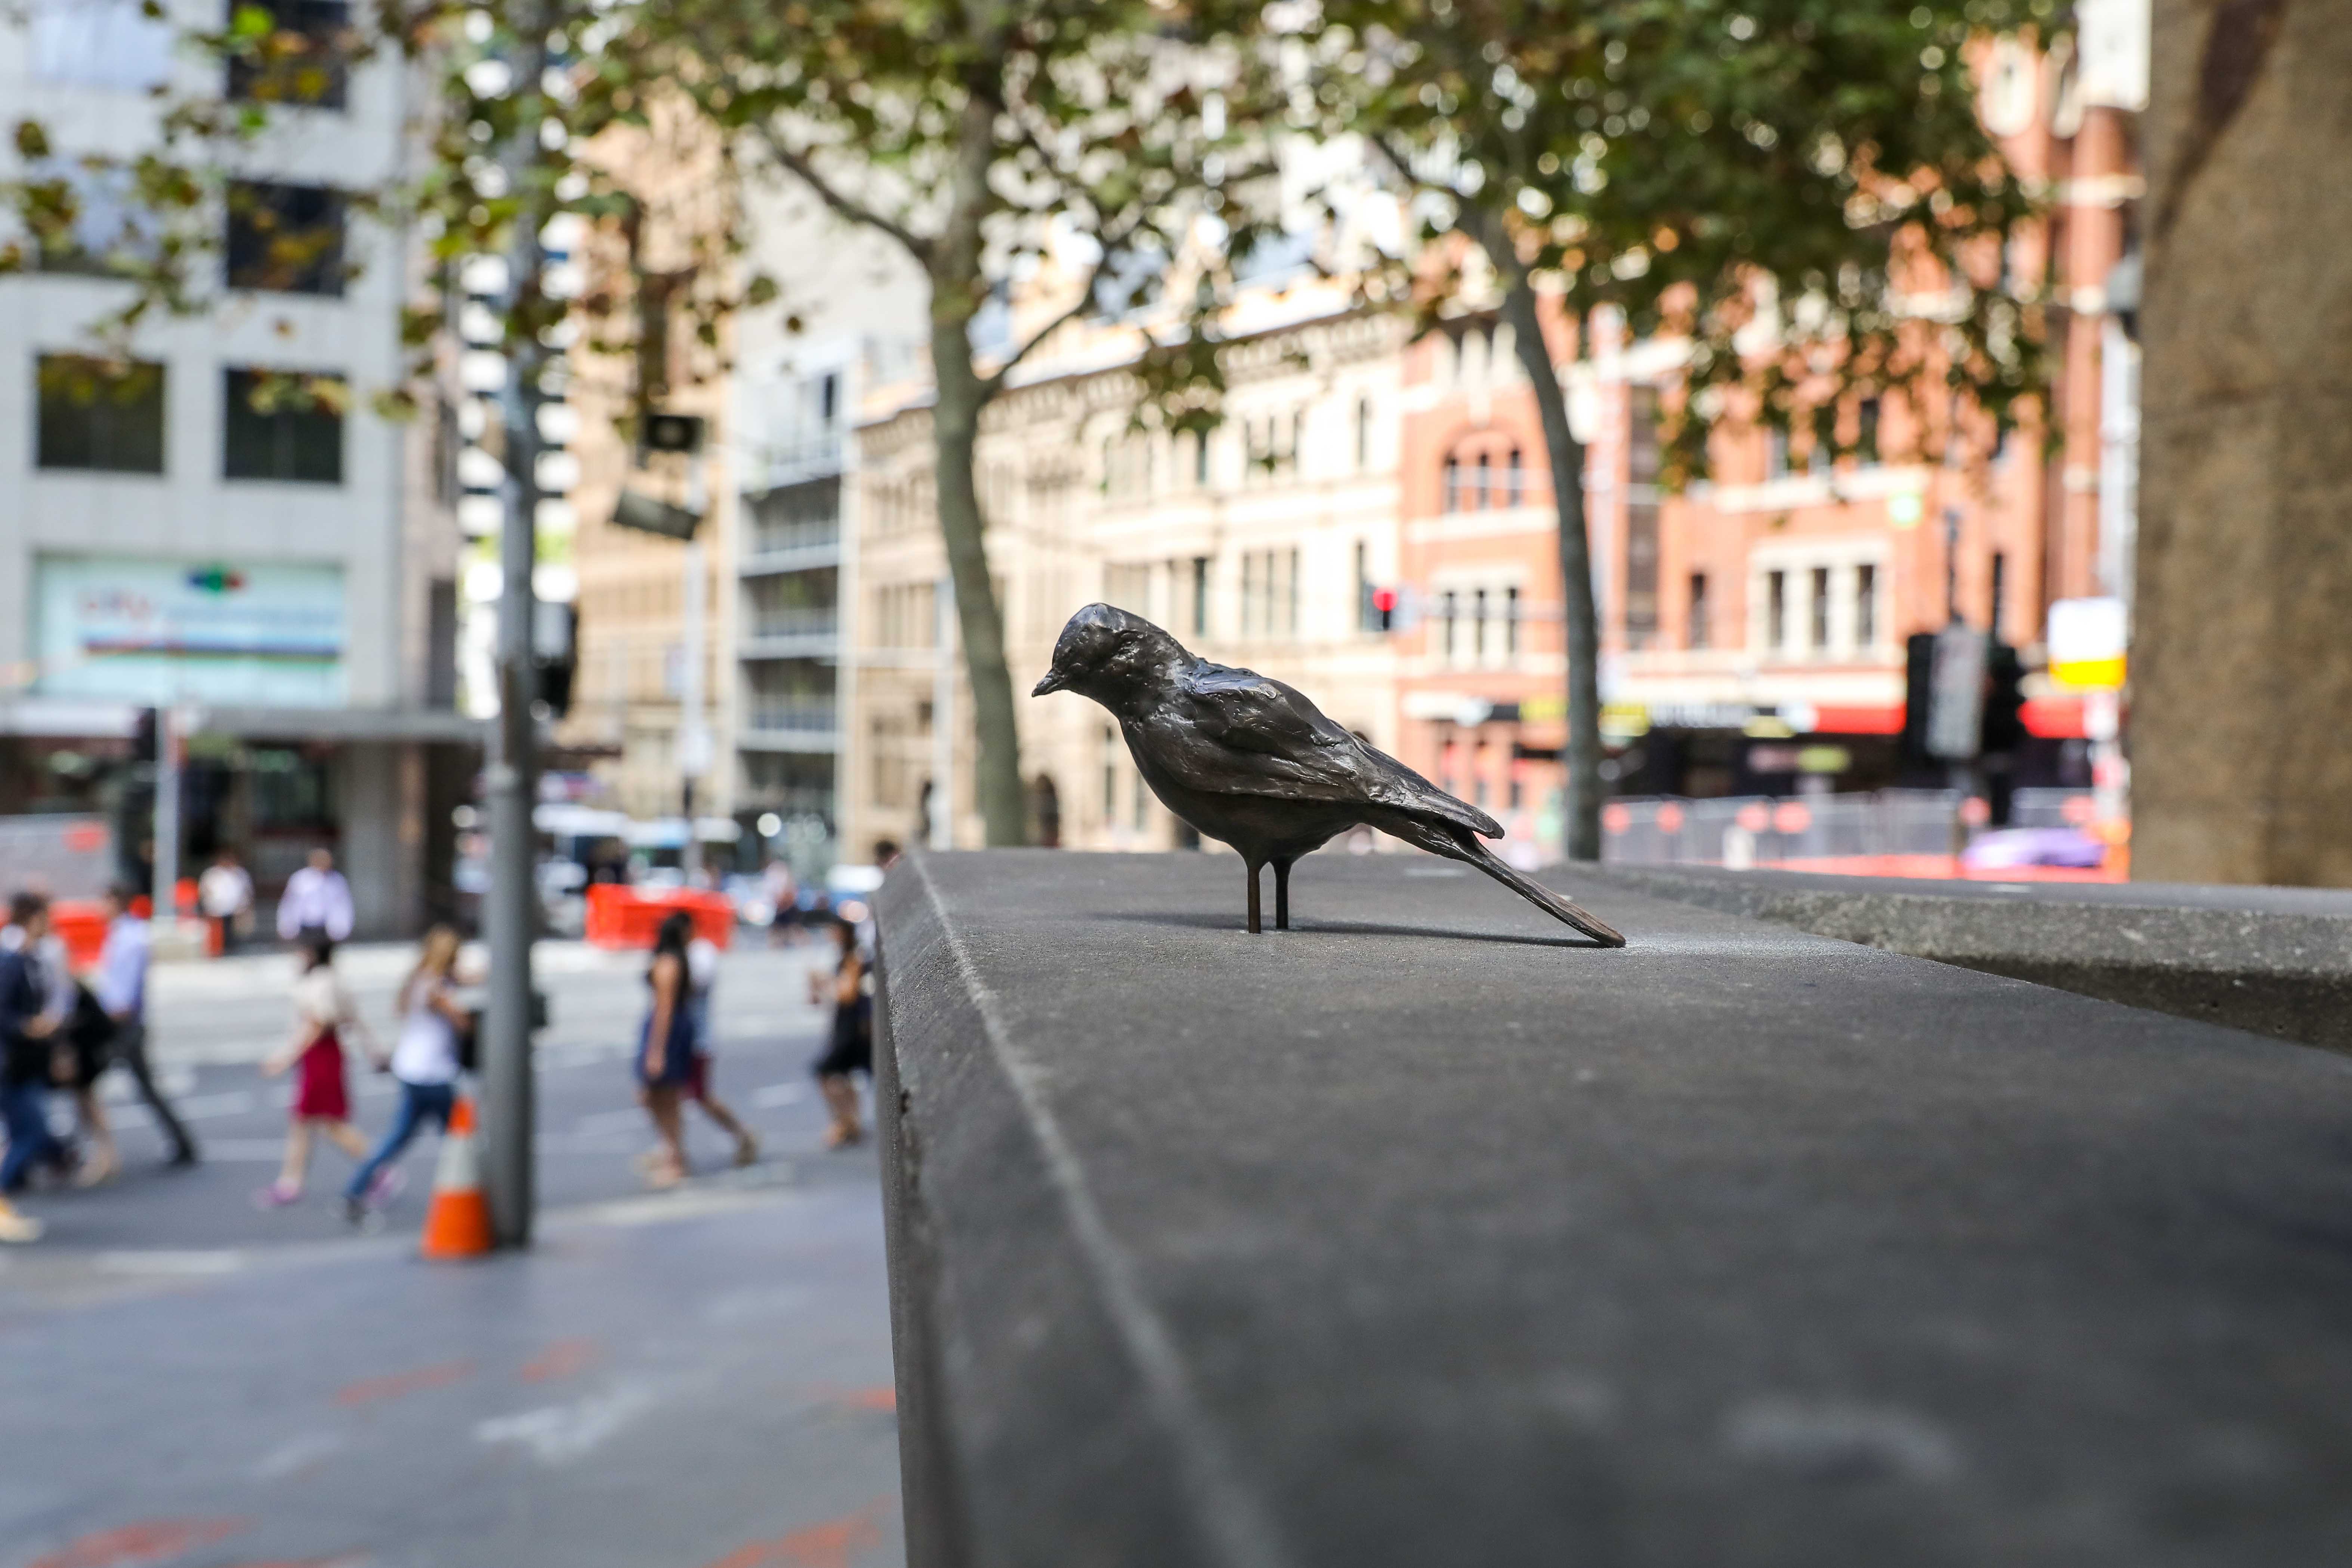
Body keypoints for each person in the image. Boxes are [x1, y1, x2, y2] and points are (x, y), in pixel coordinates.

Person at [343, 925, 470, 1226]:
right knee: (461, 1138)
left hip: (411, 1069)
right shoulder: (437, 988)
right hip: (433, 1073)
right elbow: (463, 1023)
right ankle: (474, 1188)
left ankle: (356, 1188)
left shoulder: (415, 981)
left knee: (399, 1136)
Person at [79, 883, 199, 1172]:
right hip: (119, 1024)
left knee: (86, 1083)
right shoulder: (122, 934)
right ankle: (180, 1142)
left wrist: (104, 1021)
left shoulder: (131, 937)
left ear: (116, 902)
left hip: (123, 1027)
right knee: (99, 1085)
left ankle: (86, 1151)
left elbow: (124, 994)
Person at [255, 929, 375, 1207]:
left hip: (321, 1055)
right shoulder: (333, 979)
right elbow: (353, 1018)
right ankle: (290, 1182)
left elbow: (317, 1024)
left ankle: (377, 1169)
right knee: (304, 1121)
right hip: (325, 1054)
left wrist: (284, 1058)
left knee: (328, 1123)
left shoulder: (319, 983)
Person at [0, 893, 68, 1215]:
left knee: (25, 1129)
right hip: (13, 1060)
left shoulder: (31, 956)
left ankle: (17, 1185)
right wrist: (29, 1027)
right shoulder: (11, 957)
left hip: (26, 1060)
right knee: (32, 1130)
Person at [675, 914, 759, 1167]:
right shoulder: (678, 954)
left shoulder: (701, 953)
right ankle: (673, 1150)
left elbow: (695, 984)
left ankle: (742, 1134)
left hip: (697, 1039)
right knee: (671, 1095)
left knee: (700, 1095)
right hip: (679, 1038)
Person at [635, 914, 697, 1188]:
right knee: (656, 1096)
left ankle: (675, 1157)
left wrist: (656, 1049)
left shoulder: (669, 963)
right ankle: (672, 1152)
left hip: (666, 1031)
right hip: (671, 1029)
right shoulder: (675, 960)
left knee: (663, 1096)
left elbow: (665, 1008)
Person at [809, 915, 873, 1149]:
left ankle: (844, 1122)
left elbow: (848, 995)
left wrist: (825, 982)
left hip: (852, 1027)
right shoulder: (842, 957)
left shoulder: (855, 957)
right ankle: (850, 1122)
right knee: (842, 1077)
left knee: (826, 1072)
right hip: (844, 1025)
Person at [276, 848, 355, 943]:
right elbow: (290, 903)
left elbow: (344, 904)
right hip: (305, 925)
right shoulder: (300, 879)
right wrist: (286, 925)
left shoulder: (337, 880)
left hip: (327, 926)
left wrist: (344, 926)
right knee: (308, 954)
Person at [198, 849, 254, 956]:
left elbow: (247, 890)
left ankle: (231, 948)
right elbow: (205, 889)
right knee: (218, 930)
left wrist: (246, 905)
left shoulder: (240, 873)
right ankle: (217, 949)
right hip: (216, 908)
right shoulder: (212, 873)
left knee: (232, 930)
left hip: (235, 908)